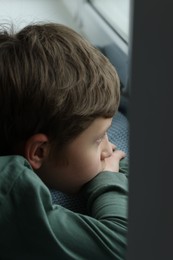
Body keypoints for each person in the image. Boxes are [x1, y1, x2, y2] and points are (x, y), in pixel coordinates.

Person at [0, 22, 128, 259]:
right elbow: (124, 244)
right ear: (38, 152)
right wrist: (109, 178)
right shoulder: (9, 191)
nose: (108, 149)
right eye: (98, 139)